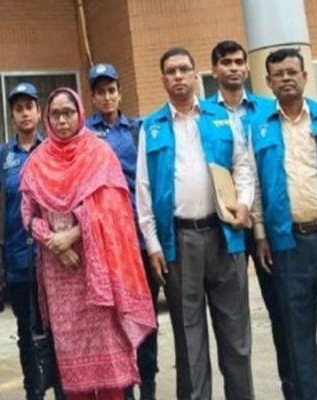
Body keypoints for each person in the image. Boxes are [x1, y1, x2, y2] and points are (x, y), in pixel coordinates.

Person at [20, 87, 156, 400]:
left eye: (68, 113)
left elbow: (113, 209)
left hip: (97, 270)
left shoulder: (99, 154)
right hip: (59, 274)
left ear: (80, 114)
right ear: (47, 118)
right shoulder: (38, 161)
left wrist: (73, 235)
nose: (62, 120)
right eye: (56, 114)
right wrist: (52, 241)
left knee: (108, 359)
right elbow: (28, 214)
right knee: (71, 360)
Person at [136, 47, 255, 400]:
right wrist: (153, 244)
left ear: (194, 74)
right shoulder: (151, 127)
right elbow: (143, 189)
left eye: (184, 69)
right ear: (163, 79)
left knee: (236, 338)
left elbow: (242, 166)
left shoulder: (221, 117)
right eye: (170, 71)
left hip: (225, 236)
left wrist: (244, 204)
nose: (178, 76)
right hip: (179, 241)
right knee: (190, 344)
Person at [251, 48, 317, 400]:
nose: (286, 79)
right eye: (279, 74)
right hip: (287, 244)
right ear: (268, 82)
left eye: (292, 72)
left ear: (305, 76)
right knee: (298, 336)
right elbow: (255, 187)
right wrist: (260, 234)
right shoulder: (259, 127)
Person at [205, 40, 292, 399]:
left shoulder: (267, 110)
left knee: (284, 313)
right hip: (226, 230)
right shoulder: (202, 114)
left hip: (271, 226)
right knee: (233, 321)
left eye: (239, 62)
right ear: (214, 70)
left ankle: (292, 388)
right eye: (226, 62)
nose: (234, 68)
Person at [0, 83, 68, 400]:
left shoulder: (53, 149)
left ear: (39, 111)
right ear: (12, 115)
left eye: (29, 107)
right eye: (18, 109)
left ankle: (63, 391)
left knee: (58, 330)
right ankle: (33, 391)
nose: (24, 114)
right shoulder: (2, 155)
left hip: (54, 257)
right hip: (18, 259)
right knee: (26, 331)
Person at [85, 63, 158, 400]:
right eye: (100, 92)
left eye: (111, 90)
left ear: (120, 93)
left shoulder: (137, 130)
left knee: (146, 318)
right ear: (93, 97)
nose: (107, 97)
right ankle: (125, 390)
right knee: (117, 322)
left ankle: (149, 386)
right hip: (107, 244)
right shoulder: (85, 134)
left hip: (139, 240)